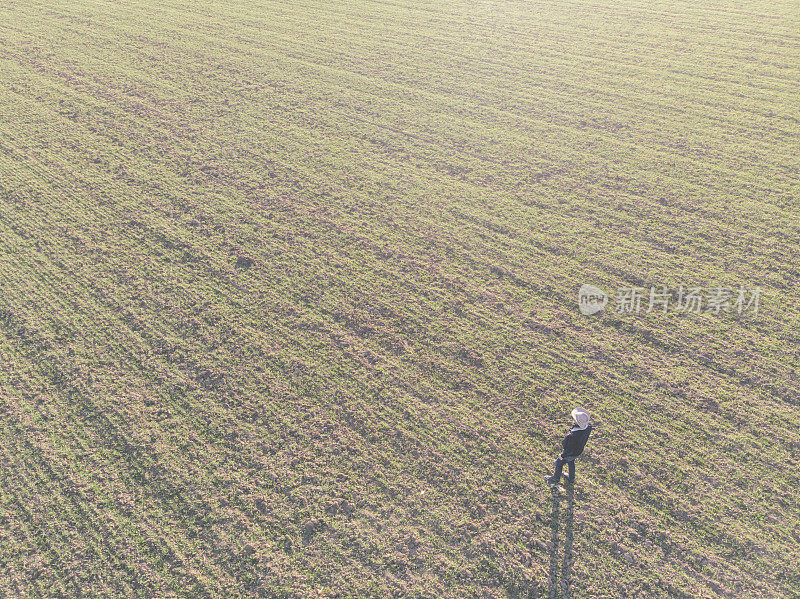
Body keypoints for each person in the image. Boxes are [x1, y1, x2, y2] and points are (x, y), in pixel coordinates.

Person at [544, 408, 592, 488]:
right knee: (571, 462)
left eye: (575, 420)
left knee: (558, 463)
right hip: (577, 451)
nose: (574, 420)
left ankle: (556, 479)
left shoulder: (573, 436)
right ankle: (571, 478)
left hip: (569, 453)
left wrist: (562, 455)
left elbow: (569, 448)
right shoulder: (588, 427)